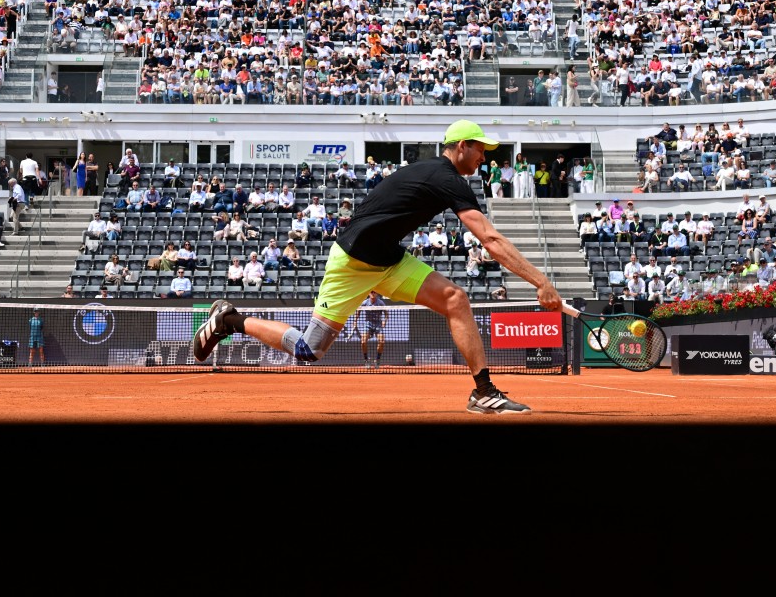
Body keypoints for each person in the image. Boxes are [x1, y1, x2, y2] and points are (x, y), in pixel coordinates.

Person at [191, 120, 561, 414]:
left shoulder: (442, 175)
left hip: (389, 259)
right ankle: (230, 320)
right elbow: (491, 241)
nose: (485, 157)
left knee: (455, 298)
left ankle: (483, 393)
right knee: (309, 351)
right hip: (352, 262)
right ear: (462, 146)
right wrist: (540, 282)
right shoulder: (447, 178)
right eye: (481, 149)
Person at [358, 290, 387, 369]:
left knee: (382, 341)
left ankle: (377, 360)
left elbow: (386, 313)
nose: (373, 293)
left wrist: (384, 320)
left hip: (378, 324)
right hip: (368, 324)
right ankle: (366, 360)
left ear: (377, 293)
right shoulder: (365, 303)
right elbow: (358, 311)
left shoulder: (380, 303)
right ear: (368, 293)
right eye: (371, 292)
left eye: (374, 292)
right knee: (363, 341)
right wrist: (355, 321)